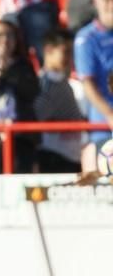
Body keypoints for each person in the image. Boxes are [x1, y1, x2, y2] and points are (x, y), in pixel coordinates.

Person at [0, 20, 40, 173]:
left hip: (20, 137)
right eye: (0, 35)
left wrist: (10, 69)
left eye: (10, 35)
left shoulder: (23, 66)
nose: (5, 40)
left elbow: (32, 92)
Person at [34, 30, 85, 173]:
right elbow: (38, 116)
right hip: (54, 156)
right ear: (49, 50)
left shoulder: (59, 81)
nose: (70, 58)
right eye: (66, 52)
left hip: (67, 154)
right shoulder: (46, 84)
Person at [74, 0, 113, 156]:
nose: (111, 5)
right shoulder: (87, 38)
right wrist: (110, 115)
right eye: (107, 0)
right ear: (96, 2)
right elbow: (88, 84)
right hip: (105, 128)